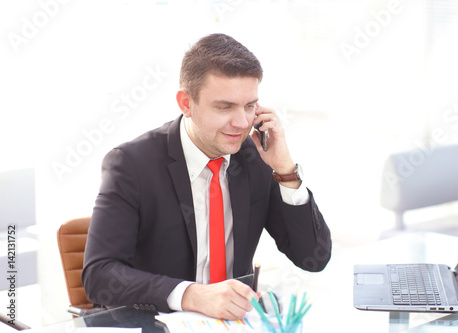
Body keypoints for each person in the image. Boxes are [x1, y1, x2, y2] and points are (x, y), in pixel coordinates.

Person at [82, 33, 331, 320]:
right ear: (186, 103)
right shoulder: (132, 164)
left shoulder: (255, 157)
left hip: (231, 324)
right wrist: (192, 295)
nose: (241, 123)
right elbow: (99, 276)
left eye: (250, 106)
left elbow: (314, 258)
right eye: (224, 107)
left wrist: (286, 171)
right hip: (158, 322)